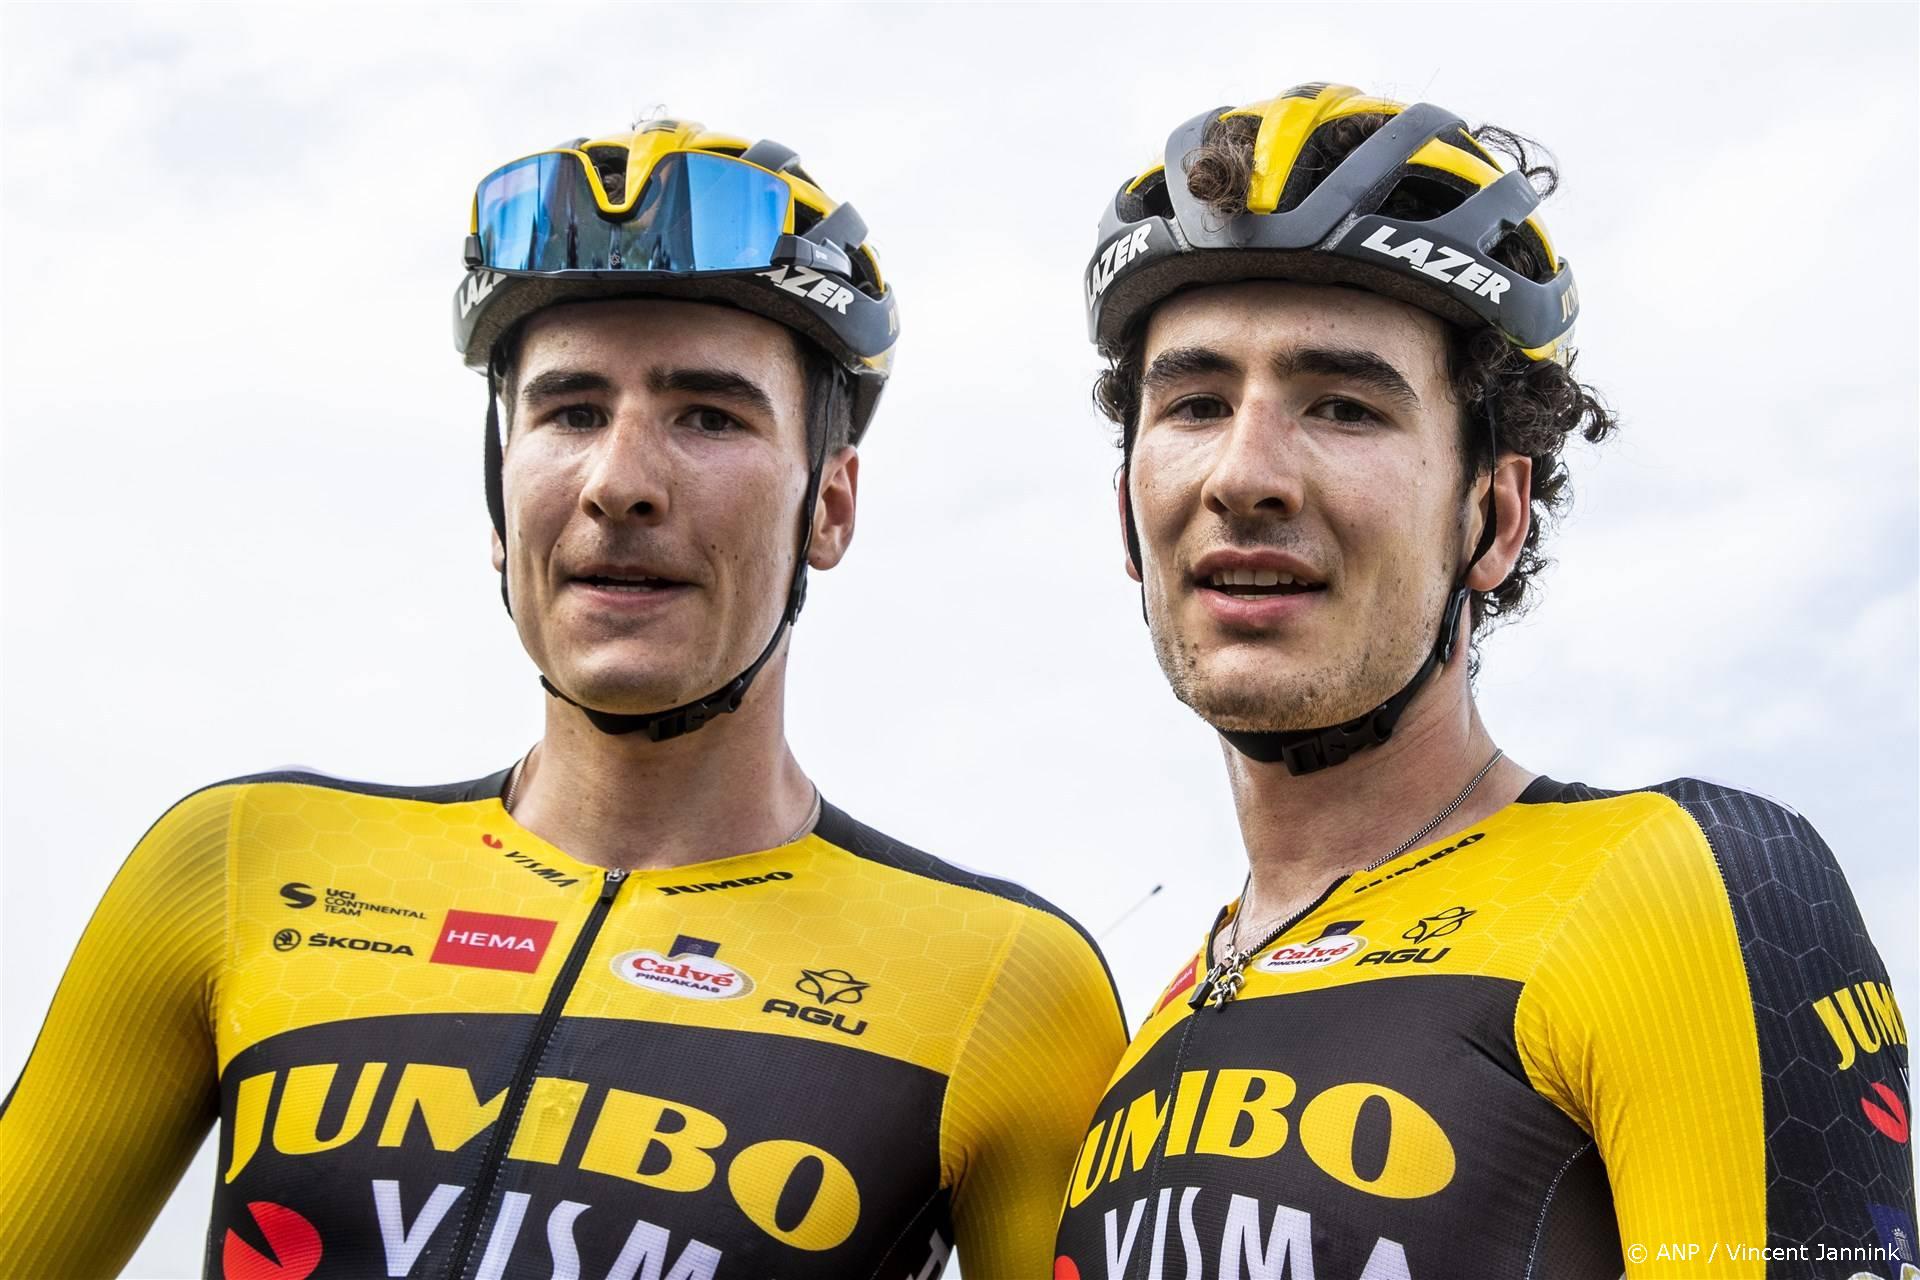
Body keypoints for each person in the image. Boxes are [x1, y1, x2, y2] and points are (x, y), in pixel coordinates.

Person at [0, 117, 1125, 1280]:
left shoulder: (1007, 984)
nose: (619, 483)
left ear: (830, 506)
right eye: (570, 410)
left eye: (709, 414)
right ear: (500, 491)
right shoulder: (236, 865)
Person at [1051, 83, 1914, 1280]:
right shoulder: (1149, 1026)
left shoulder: (1679, 883)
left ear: (1494, 516)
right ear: (1128, 514)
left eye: (1343, 405)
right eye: (1195, 403)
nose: (1245, 473)